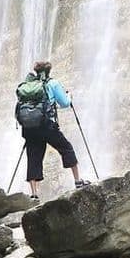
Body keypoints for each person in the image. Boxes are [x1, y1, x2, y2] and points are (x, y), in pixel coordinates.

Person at [14, 60, 87, 199]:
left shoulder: (29, 86)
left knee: (33, 157)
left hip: (30, 128)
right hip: (47, 125)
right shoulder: (52, 83)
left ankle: (34, 194)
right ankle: (78, 181)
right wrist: (69, 96)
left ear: (36, 71)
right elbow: (65, 103)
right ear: (49, 71)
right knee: (66, 148)